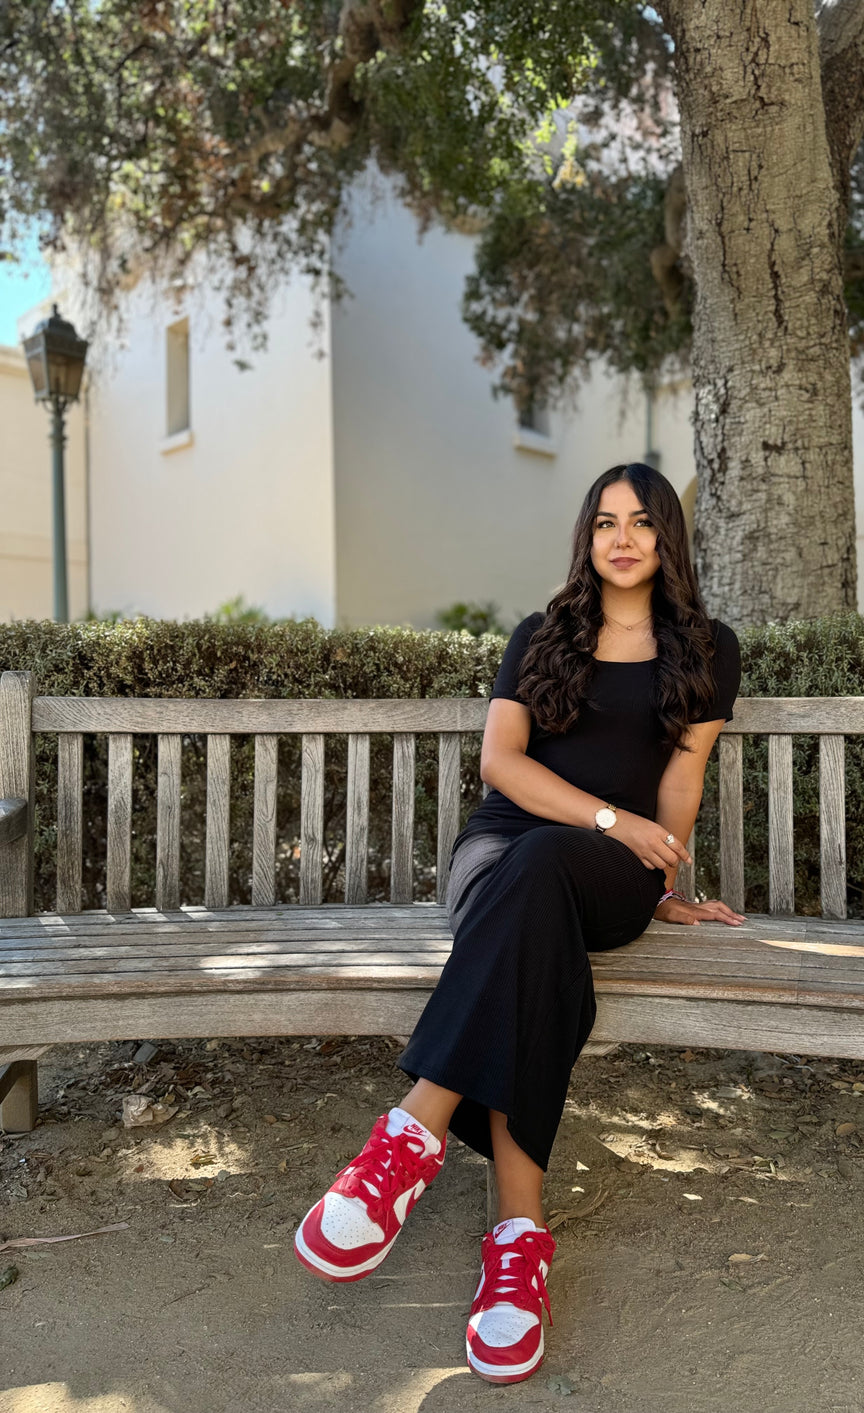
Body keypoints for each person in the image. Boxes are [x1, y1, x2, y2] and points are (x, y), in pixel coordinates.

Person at [293, 461, 745, 1384]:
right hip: (503, 852)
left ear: (669, 538)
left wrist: (659, 876)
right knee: (530, 909)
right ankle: (517, 1238)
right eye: (606, 521)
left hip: (610, 872)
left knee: (541, 884)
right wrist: (611, 817)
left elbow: (680, 782)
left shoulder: (708, 648)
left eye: (643, 522)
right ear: (586, 536)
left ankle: (407, 1140)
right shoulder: (543, 634)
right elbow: (502, 764)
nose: (623, 537)